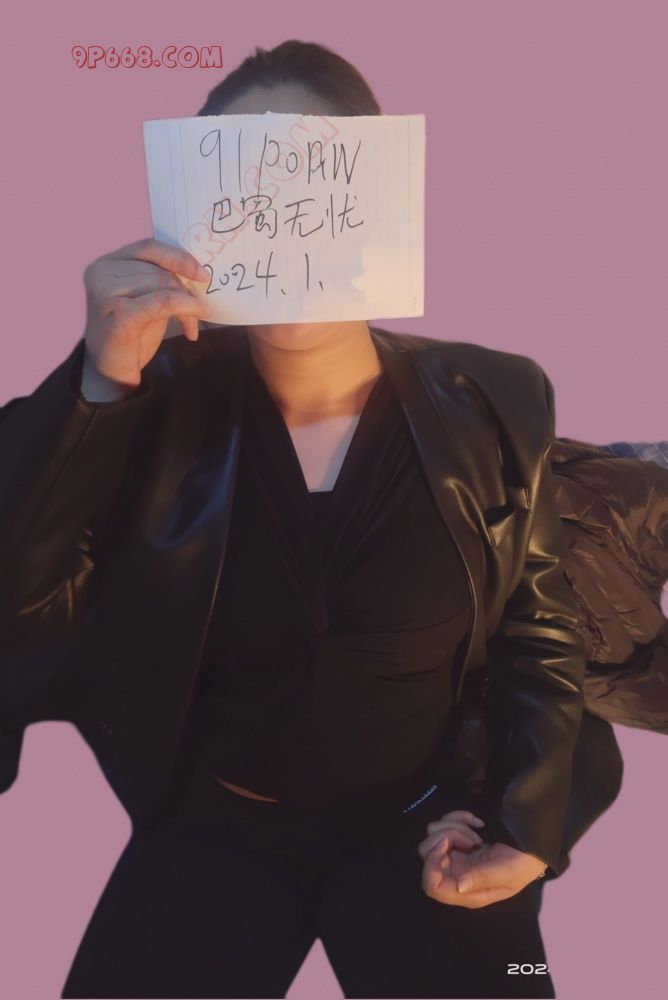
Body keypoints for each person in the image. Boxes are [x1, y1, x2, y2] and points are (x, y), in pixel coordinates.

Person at [0, 39, 653, 1000]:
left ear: (377, 197)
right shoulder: (142, 405)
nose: (281, 216)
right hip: (210, 827)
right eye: (241, 184)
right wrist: (97, 384)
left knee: (515, 980)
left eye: (314, 175)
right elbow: (20, 593)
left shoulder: (498, 396)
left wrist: (525, 833)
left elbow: (536, 624)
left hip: (432, 825)